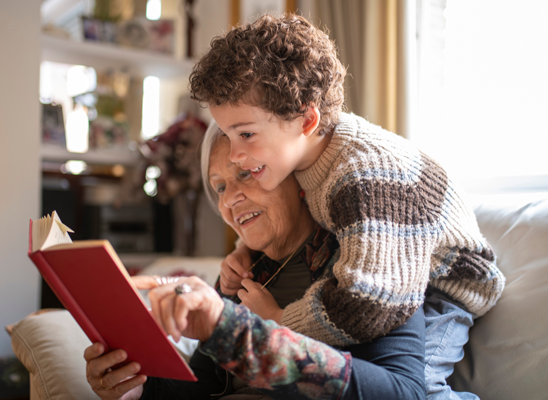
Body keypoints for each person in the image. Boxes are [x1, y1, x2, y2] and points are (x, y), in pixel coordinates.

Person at [189, 13, 505, 399]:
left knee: (425, 389)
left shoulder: (366, 178)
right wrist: (244, 248)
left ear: (307, 119)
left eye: (246, 135)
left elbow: (366, 306)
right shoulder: (305, 153)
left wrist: (277, 323)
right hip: (395, 265)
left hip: (443, 281)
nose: (236, 156)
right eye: (228, 135)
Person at [84, 126, 426, 400]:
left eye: (245, 174)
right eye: (219, 187)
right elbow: (203, 387)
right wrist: (138, 388)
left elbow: (405, 392)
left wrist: (236, 333)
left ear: (296, 174)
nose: (230, 199)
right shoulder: (240, 276)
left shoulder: (367, 258)